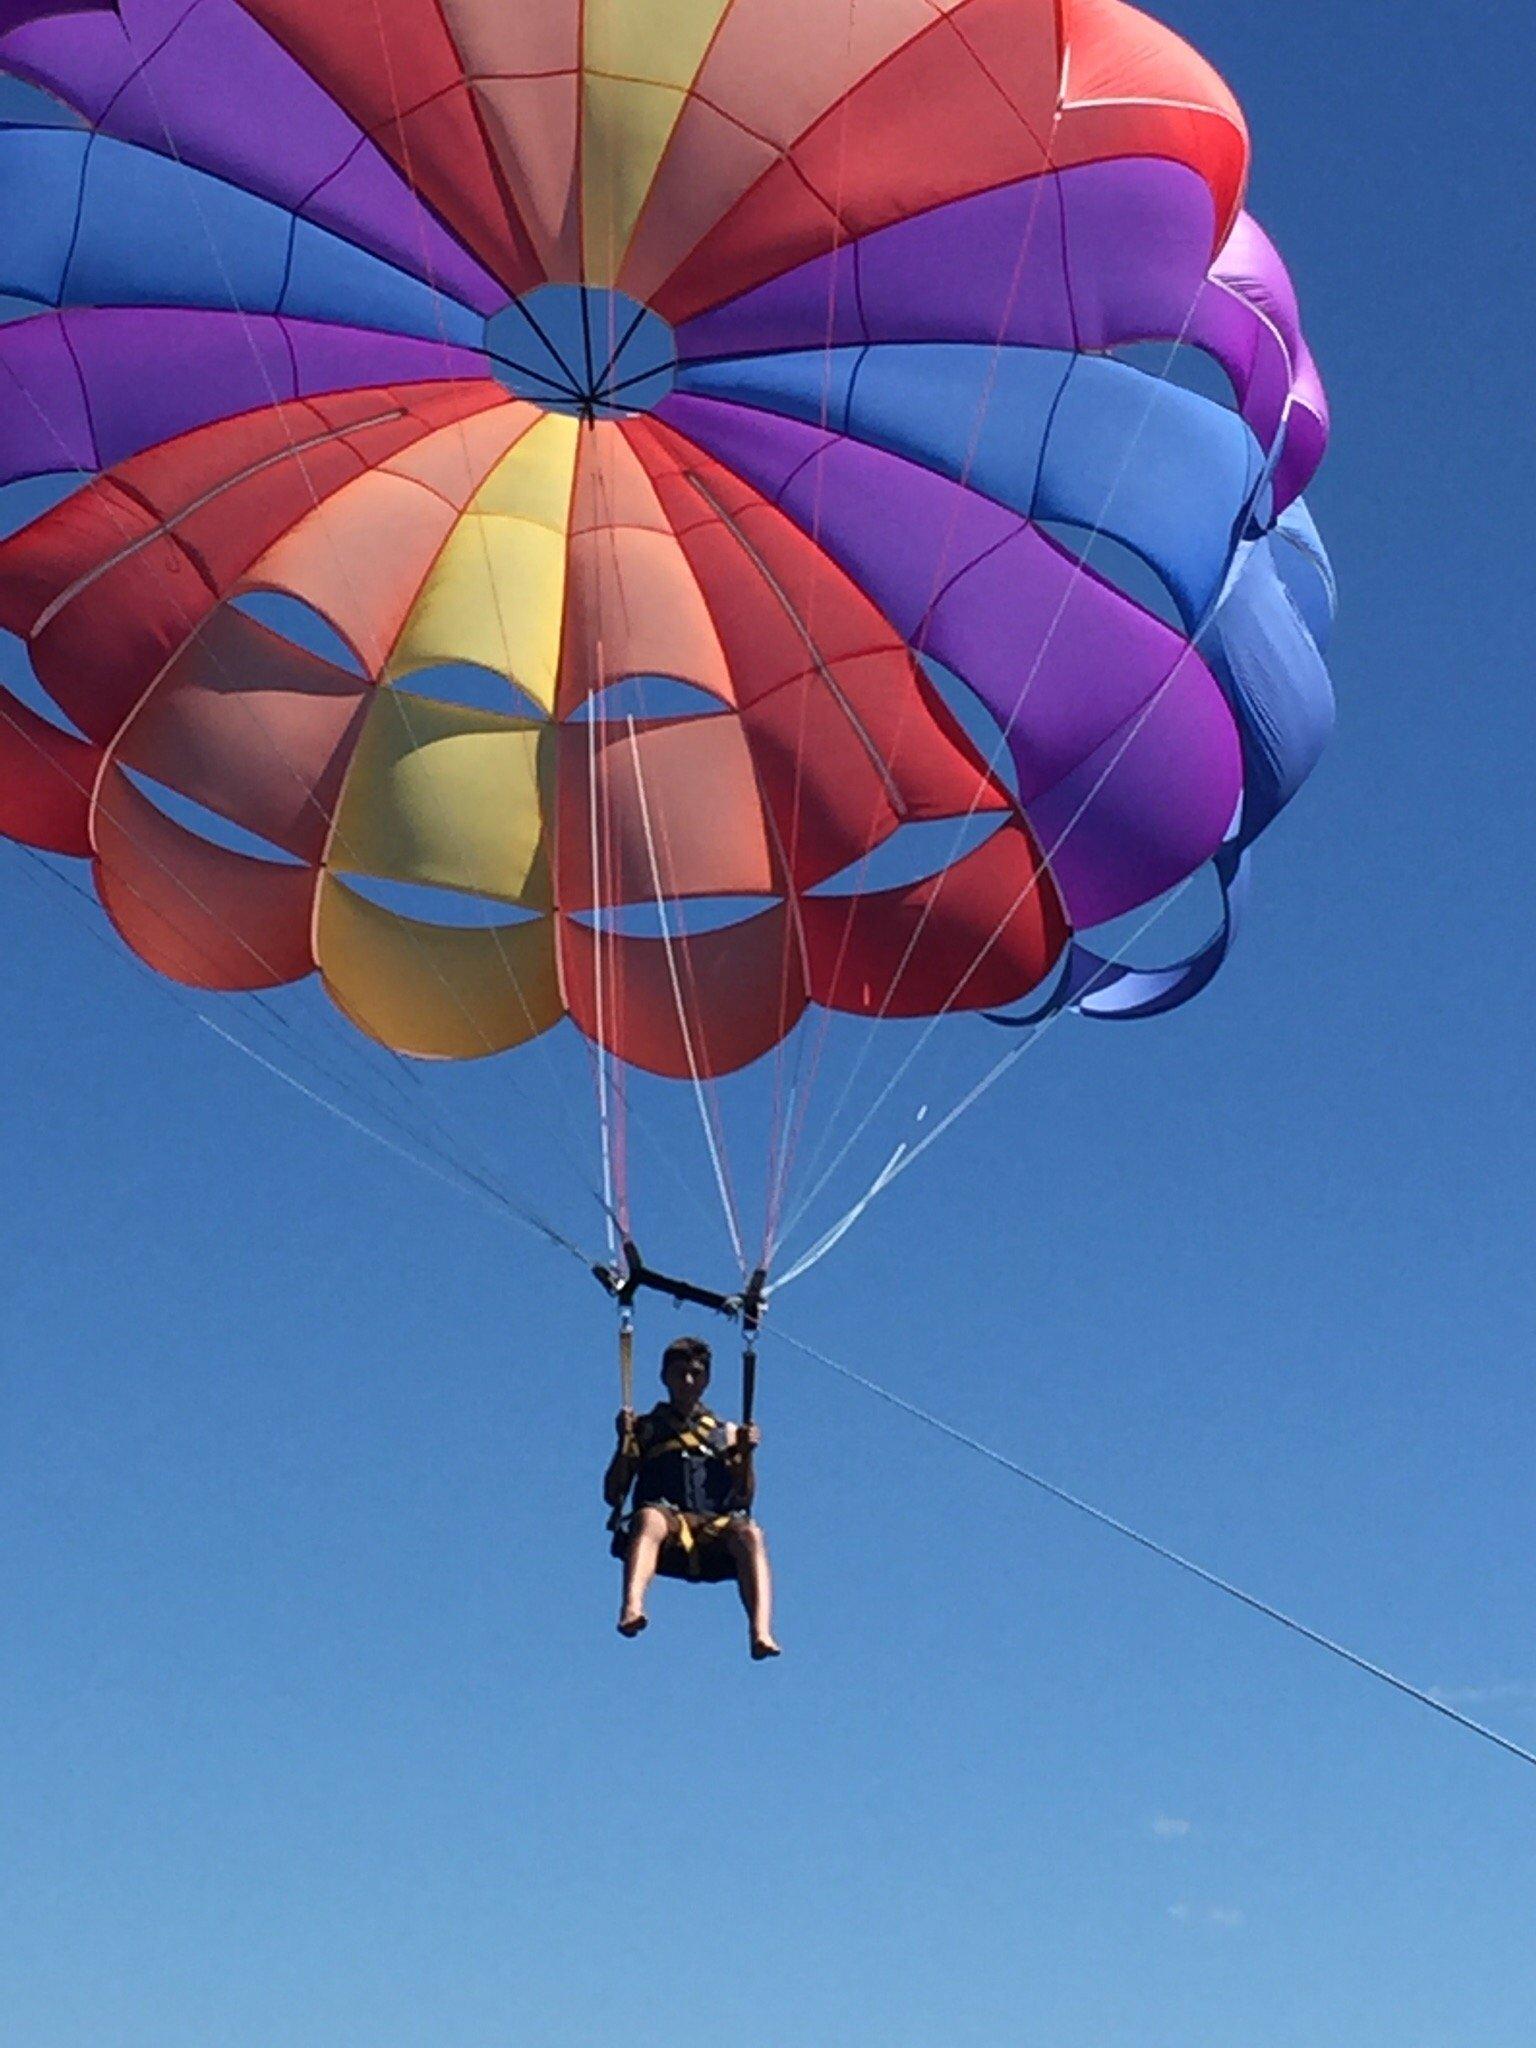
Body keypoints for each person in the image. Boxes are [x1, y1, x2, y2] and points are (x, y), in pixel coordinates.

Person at [604, 1333, 781, 1659]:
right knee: (649, 1519)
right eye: (680, 1373)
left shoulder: (725, 1433)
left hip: (712, 1529)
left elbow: (743, 1497)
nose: (688, 1381)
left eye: (696, 1374)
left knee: (751, 1534)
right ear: (665, 1377)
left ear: (707, 1379)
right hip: (667, 1521)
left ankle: (761, 1631)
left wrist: (747, 1453)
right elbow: (613, 1492)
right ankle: (632, 1606)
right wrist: (622, 1443)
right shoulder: (645, 1428)